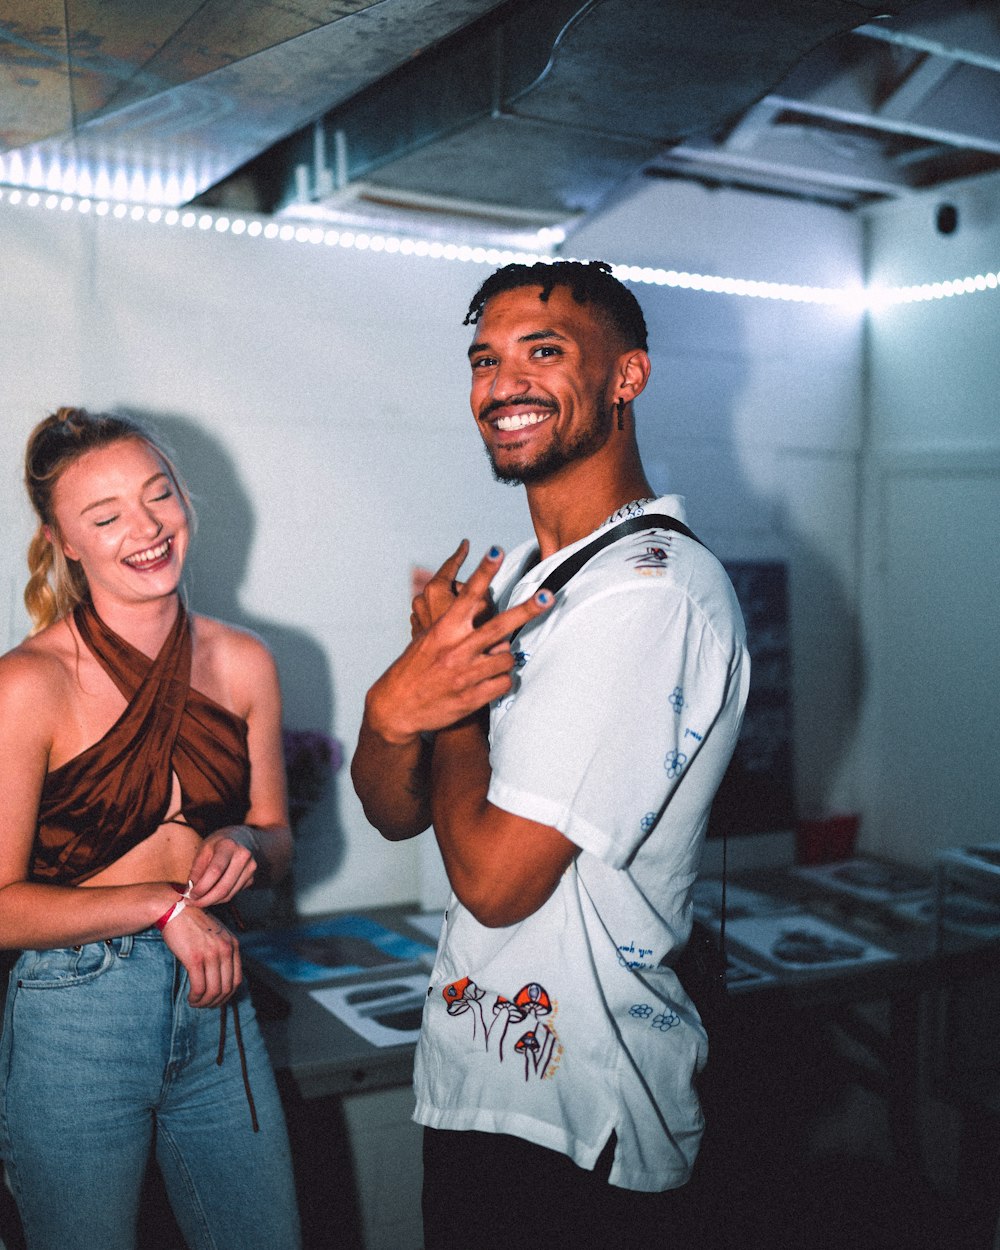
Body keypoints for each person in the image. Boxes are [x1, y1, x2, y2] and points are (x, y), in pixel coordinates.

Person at [351, 259, 751, 1248]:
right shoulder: (542, 578)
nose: (502, 382)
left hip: (584, 1126)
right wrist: (391, 707)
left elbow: (491, 877)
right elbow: (396, 808)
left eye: (544, 350)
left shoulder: (648, 593)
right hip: (483, 1088)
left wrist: (446, 712)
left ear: (628, 376)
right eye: (485, 358)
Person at [0, 408, 302, 1250]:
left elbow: (278, 839)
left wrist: (246, 845)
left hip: (219, 1003)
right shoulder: (27, 684)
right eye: (106, 517)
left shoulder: (245, 661)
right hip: (76, 1014)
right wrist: (165, 904)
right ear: (64, 541)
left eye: (157, 495)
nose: (145, 528)